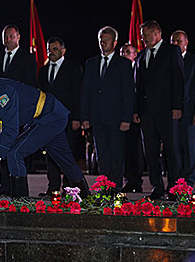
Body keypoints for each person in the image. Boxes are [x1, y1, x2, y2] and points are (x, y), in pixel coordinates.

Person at [0, 65, 89, 199]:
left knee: (14, 153)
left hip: (49, 117)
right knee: (64, 159)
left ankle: (21, 202)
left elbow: (10, 130)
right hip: (47, 118)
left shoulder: (1, 91)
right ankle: (86, 196)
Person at [134, 20, 184, 200]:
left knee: (172, 150)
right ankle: (157, 187)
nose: (142, 38)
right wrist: (136, 110)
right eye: (142, 35)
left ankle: (174, 188)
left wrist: (177, 106)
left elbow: (178, 80)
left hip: (167, 111)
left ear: (157, 33)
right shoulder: (141, 56)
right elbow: (138, 87)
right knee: (151, 152)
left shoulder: (171, 51)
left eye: (145, 35)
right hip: (147, 113)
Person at [81, 26, 135, 191]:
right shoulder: (91, 63)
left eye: (106, 40)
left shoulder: (123, 64)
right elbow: (86, 92)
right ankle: (105, 188)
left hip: (117, 119)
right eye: (100, 40)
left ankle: (116, 189)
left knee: (116, 155)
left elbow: (128, 93)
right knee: (101, 155)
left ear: (115, 42)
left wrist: (126, 118)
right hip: (97, 118)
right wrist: (84, 117)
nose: (103, 43)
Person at [0, 24, 37, 197]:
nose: (8, 40)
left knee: (15, 147)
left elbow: (30, 85)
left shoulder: (28, 58)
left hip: (19, 111)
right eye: (5, 37)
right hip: (0, 111)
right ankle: (4, 186)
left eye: (11, 36)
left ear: (18, 37)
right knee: (1, 144)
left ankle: (17, 186)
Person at [37, 37, 83, 197]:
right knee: (51, 154)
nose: (51, 52)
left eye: (55, 49)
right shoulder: (43, 71)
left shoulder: (73, 68)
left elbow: (78, 95)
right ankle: (53, 188)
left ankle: (68, 188)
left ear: (63, 51)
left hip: (69, 119)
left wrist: (77, 118)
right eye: (49, 49)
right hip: (49, 120)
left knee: (67, 154)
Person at [171, 30, 195, 186]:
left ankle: (188, 183)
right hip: (170, 114)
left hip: (189, 112)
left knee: (188, 149)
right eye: (173, 41)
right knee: (174, 151)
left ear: (186, 42)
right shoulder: (168, 60)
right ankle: (176, 182)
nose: (176, 44)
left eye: (179, 41)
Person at [120, 43, 144, 193]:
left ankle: (137, 181)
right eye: (123, 52)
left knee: (136, 150)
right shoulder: (118, 69)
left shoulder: (140, 69)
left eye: (129, 52)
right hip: (122, 115)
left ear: (135, 55)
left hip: (136, 116)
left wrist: (137, 112)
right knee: (125, 150)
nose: (125, 55)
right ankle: (128, 179)